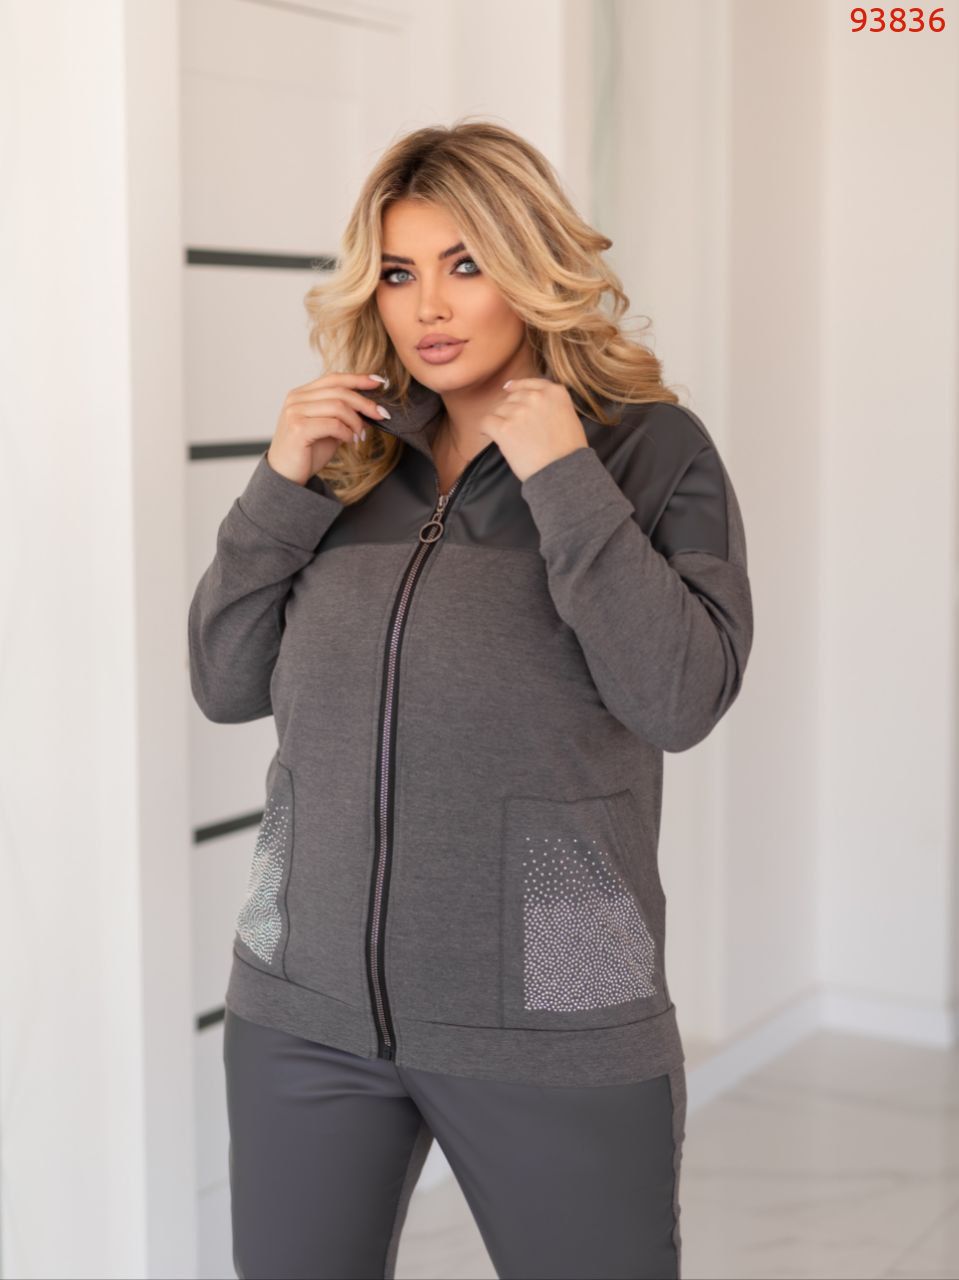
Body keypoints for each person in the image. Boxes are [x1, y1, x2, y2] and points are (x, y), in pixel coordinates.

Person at [188, 118, 754, 1280]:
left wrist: (563, 476)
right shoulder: (349, 459)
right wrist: (279, 485)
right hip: (303, 1014)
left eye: (465, 263)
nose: (429, 306)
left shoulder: (651, 453)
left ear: (530, 267)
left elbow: (678, 698)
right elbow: (223, 680)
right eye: (398, 273)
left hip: (555, 1022)